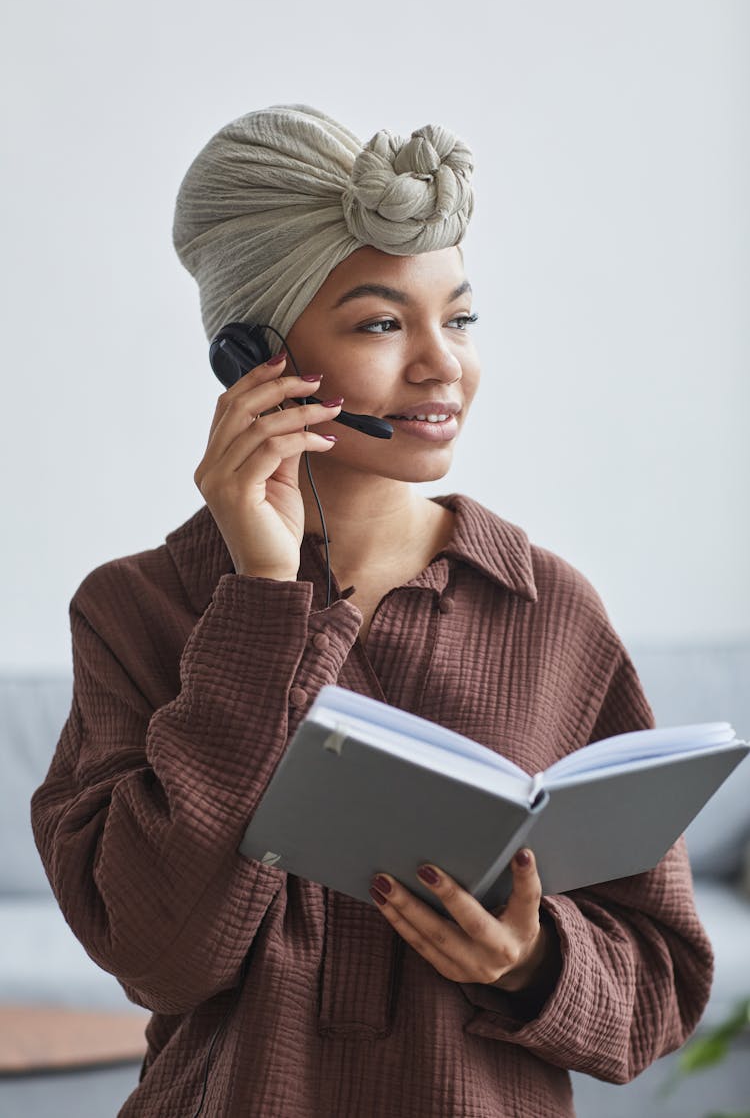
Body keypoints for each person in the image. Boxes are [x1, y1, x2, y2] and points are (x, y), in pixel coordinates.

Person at [31, 103, 713, 1118]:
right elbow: (160, 957)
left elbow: (660, 988)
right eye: (383, 322)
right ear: (251, 355)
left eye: (462, 317)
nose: (443, 365)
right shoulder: (136, 610)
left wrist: (532, 962)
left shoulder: (550, 608)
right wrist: (262, 602)